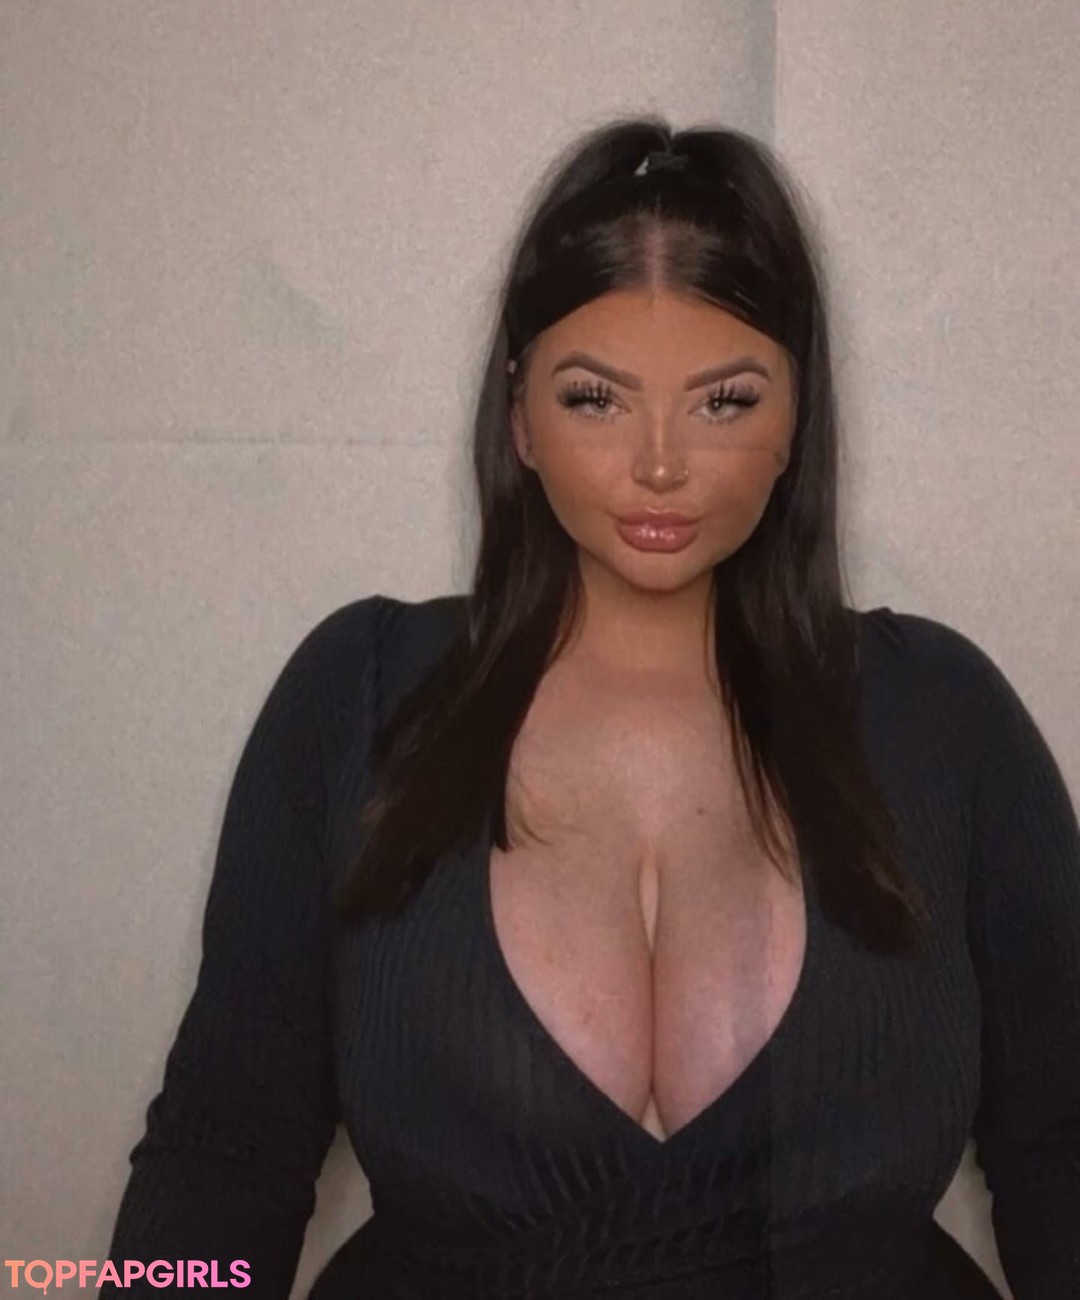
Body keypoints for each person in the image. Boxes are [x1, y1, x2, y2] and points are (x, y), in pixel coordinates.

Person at [99, 117, 1080, 1299]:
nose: (659, 463)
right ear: (519, 416)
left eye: (724, 401)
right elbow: (227, 1148)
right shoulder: (357, 697)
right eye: (595, 398)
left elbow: (1062, 1146)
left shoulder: (946, 719)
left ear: (796, 420)